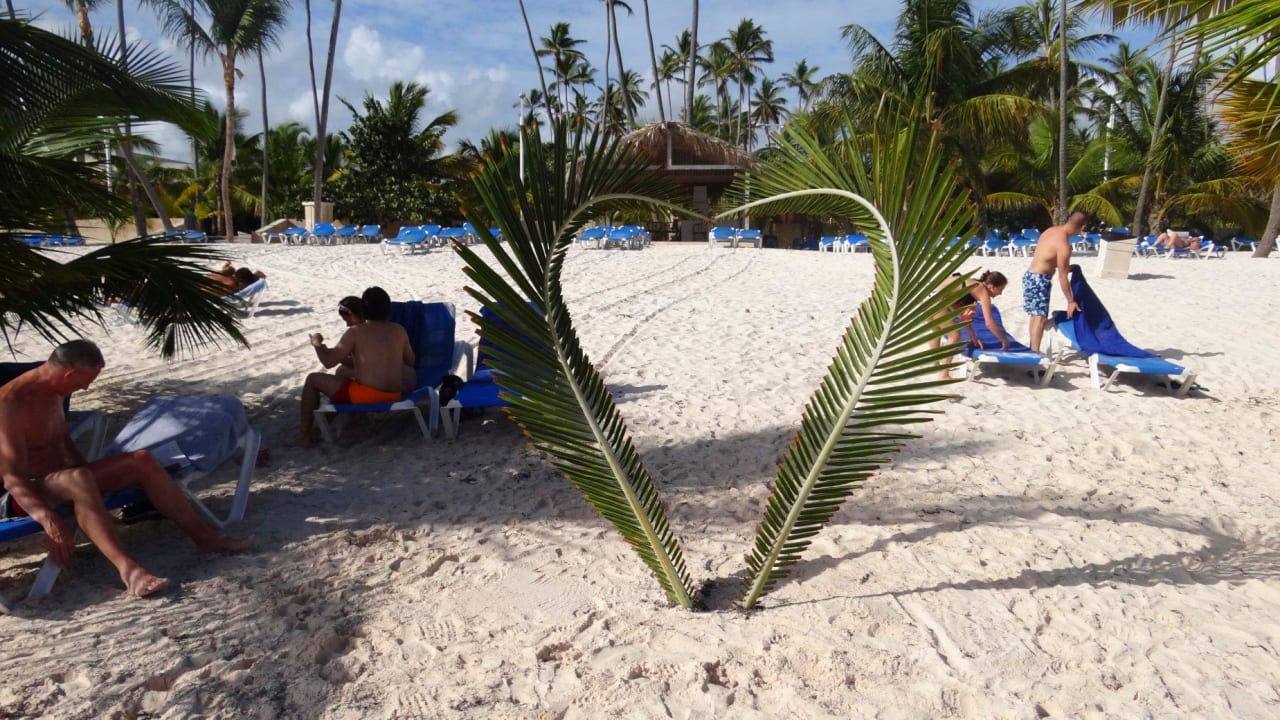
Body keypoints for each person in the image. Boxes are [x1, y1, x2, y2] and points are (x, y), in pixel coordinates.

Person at [0, 340, 250, 599]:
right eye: (83, 382)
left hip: (66, 479)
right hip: (22, 495)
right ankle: (130, 572)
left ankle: (205, 539)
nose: (85, 388)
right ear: (69, 374)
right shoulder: (10, 403)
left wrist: (95, 474)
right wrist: (48, 519)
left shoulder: (55, 391)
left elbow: (60, 442)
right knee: (79, 478)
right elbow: (12, 478)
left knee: (141, 460)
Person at [298, 287, 414, 447]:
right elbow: (411, 360)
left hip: (368, 395)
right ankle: (346, 421)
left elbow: (328, 362)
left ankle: (304, 435)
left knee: (312, 379)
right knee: (343, 375)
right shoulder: (399, 330)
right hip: (395, 394)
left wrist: (316, 344)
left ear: (364, 309)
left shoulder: (356, 332)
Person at [1024, 209, 1087, 353]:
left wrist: (1069, 268)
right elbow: (1062, 276)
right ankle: (1034, 354)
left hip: (1029, 276)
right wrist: (1071, 301)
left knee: (1035, 316)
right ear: (1082, 227)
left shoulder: (1050, 230)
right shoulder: (1063, 245)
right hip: (1040, 279)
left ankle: (1032, 348)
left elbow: (1047, 257)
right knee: (1040, 318)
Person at [930, 271, 1011, 379]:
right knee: (955, 335)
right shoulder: (982, 289)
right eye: (1001, 289)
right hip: (936, 302)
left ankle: (935, 365)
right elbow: (989, 322)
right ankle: (944, 374)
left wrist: (972, 335)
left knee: (937, 331)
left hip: (927, 299)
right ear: (991, 287)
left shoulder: (970, 285)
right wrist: (1004, 340)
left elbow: (960, 312)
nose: (1000, 293)